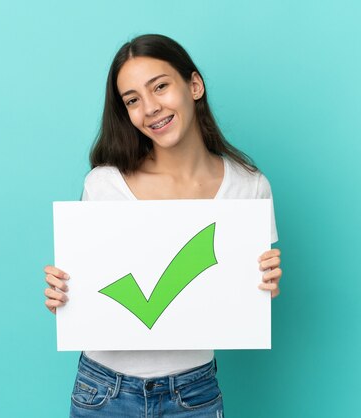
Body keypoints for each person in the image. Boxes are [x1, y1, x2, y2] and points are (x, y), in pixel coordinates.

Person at [43, 34, 283, 417]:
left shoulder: (249, 186)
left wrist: (264, 288)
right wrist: (65, 297)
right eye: (133, 100)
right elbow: (91, 293)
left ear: (194, 85)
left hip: (194, 393)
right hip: (103, 391)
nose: (150, 108)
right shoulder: (103, 185)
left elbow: (249, 298)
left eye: (160, 87)